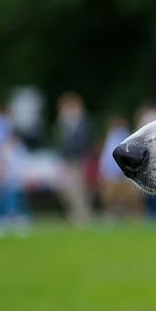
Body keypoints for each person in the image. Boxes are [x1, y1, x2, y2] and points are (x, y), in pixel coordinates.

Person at [55, 92, 93, 225]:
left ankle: (82, 216)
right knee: (67, 189)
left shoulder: (83, 121)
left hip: (79, 159)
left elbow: (85, 142)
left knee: (80, 189)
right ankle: (76, 214)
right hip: (67, 160)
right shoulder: (63, 123)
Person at [99, 116, 143, 221]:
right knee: (113, 199)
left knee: (129, 199)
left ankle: (134, 218)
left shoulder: (123, 136)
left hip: (121, 175)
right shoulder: (113, 137)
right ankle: (115, 217)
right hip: (115, 175)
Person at [0, 132, 31, 237]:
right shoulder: (2, 149)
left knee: (15, 200)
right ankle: (2, 220)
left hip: (14, 180)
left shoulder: (18, 151)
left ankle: (19, 219)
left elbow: (20, 167)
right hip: (5, 181)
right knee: (4, 200)